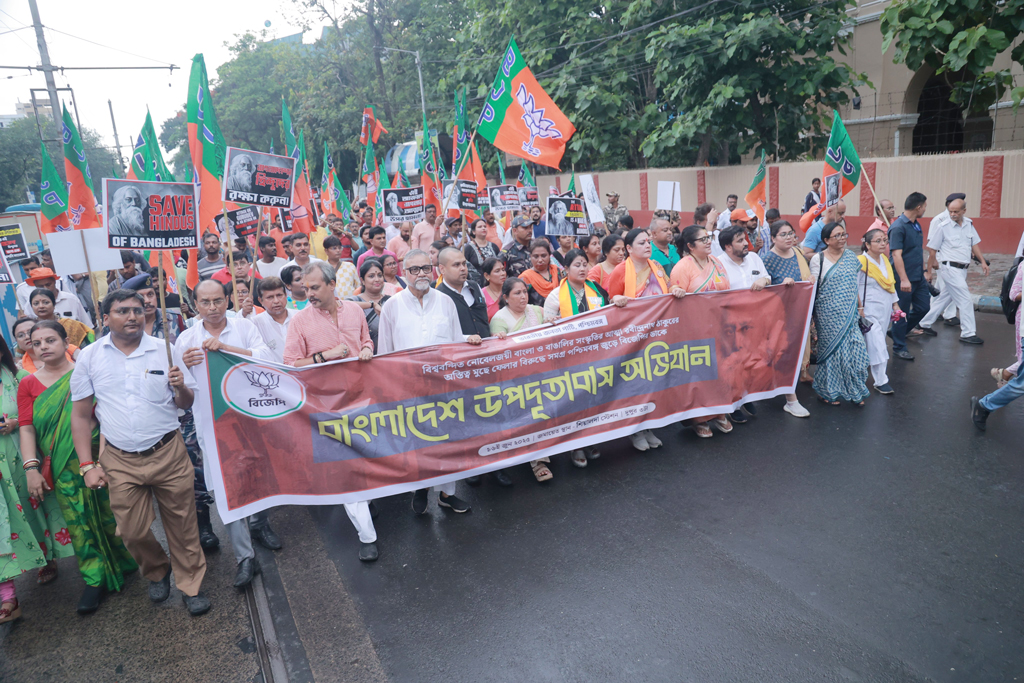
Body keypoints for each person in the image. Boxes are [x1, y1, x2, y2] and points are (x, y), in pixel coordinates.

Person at [71, 290, 208, 614]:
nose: (132, 316)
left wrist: (180, 387)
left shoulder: (165, 351)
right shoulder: (90, 357)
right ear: (105, 318)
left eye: (137, 310)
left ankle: (191, 586)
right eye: (122, 311)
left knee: (183, 525)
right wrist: (87, 465)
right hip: (119, 459)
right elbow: (80, 415)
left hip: (168, 452)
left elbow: (185, 403)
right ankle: (157, 570)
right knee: (131, 531)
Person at [18, 321, 138, 615]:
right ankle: (94, 578)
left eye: (50, 340)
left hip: (98, 455)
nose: (44, 347)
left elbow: (106, 415)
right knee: (77, 520)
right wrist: (31, 468)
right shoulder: (28, 384)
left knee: (110, 512)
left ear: (65, 341)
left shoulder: (86, 373)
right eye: (37, 343)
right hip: (60, 464)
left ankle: (125, 560)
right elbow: (27, 428)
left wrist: (106, 456)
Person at [176, 281, 281, 588]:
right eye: (205, 302)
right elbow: (181, 390)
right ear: (196, 305)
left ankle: (261, 525)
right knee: (225, 488)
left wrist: (226, 348)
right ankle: (244, 557)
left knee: (257, 476)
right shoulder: (186, 339)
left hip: (250, 417)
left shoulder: (244, 327)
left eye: (218, 301)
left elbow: (267, 361)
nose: (212, 307)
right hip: (213, 424)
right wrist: (183, 366)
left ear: (227, 301)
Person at [282, 263, 379, 560]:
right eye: (304, 287)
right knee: (347, 467)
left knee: (368, 455)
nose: (307, 292)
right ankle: (368, 537)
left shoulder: (354, 311)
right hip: (327, 405)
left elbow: (365, 340)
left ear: (333, 284)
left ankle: (366, 498)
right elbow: (290, 364)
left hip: (364, 398)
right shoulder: (299, 322)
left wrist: (366, 348)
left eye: (314, 287)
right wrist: (325, 356)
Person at [377, 250, 482, 515]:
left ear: (433, 269)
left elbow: (455, 339)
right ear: (404, 273)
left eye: (426, 268)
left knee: (447, 441)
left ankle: (447, 494)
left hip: (443, 388)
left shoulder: (446, 301)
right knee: (417, 443)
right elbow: (384, 353)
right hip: (408, 391)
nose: (421, 274)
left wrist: (469, 340)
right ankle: (420, 489)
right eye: (415, 270)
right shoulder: (392, 305)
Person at [0, 332, 70, 623]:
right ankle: (8, 597)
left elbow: (31, 416)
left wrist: (14, 423)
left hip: (17, 458)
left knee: (30, 509)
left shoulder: (15, 376)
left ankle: (46, 557)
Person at [809, 222, 870, 406]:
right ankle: (827, 391)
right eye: (837, 235)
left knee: (856, 350)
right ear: (826, 240)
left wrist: (860, 308)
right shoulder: (818, 259)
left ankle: (855, 390)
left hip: (850, 314)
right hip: (827, 314)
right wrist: (811, 317)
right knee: (832, 354)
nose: (842, 238)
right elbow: (814, 289)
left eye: (844, 234)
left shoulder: (851, 258)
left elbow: (854, 285)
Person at [917, 196, 987, 344]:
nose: (953, 214)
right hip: (949, 268)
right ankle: (968, 333)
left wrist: (982, 261)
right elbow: (932, 250)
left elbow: (974, 244)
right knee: (965, 299)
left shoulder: (969, 224)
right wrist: (929, 272)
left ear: (964, 211)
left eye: (956, 211)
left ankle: (924, 323)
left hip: (962, 269)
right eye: (951, 211)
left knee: (943, 298)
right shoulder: (943, 226)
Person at [888, 192, 932, 361]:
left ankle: (898, 332)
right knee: (902, 313)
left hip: (917, 275)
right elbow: (896, 255)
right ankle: (899, 347)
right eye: (925, 207)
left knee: (923, 307)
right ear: (918, 207)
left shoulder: (915, 224)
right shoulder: (898, 227)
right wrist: (904, 279)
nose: (925, 210)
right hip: (903, 277)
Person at [857, 229, 901, 395]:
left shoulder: (884, 259)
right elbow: (854, 288)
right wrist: (859, 308)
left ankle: (861, 373)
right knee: (878, 344)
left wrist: (895, 304)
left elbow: (890, 284)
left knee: (876, 342)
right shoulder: (861, 262)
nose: (883, 244)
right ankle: (881, 380)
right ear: (867, 244)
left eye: (885, 240)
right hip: (868, 310)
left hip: (885, 308)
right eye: (878, 241)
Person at [607, 229, 685, 301]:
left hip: (660, 313)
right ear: (629, 248)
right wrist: (616, 298)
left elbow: (669, 287)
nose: (648, 246)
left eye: (648, 242)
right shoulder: (620, 270)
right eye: (642, 243)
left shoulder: (656, 265)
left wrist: (676, 289)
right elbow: (613, 299)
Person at [21, 268, 93, 327]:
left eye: (48, 284)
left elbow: (87, 326)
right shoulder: (30, 305)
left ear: (55, 282)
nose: (45, 288)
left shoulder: (71, 299)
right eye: (40, 286)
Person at [346, 259, 391, 353]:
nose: (377, 279)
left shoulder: (390, 301)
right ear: (362, 280)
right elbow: (341, 305)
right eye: (371, 276)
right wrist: (371, 304)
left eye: (380, 275)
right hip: (365, 356)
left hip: (389, 354)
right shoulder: (356, 300)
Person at [28, 288, 94, 348]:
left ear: (54, 304)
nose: (41, 306)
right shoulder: (29, 328)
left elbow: (87, 348)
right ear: (31, 306)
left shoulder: (71, 325)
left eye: (46, 302)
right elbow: (20, 353)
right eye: (36, 303)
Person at [252, 277, 295, 363]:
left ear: (286, 295)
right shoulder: (255, 324)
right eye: (270, 297)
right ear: (261, 301)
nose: (276, 301)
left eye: (279, 295)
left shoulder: (299, 317)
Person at [12, 317, 78, 373]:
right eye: (20, 335)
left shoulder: (72, 352)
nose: (26, 337)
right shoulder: (20, 369)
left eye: (30, 332)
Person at [520, 239, 562, 306]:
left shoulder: (557, 271)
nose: (540, 260)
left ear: (549, 255)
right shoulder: (525, 278)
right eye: (536, 256)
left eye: (543, 256)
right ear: (530, 256)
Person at [464, 218, 501, 286]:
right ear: (473, 231)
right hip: (478, 285)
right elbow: (464, 266)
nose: (483, 228)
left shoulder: (494, 246)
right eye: (480, 227)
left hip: (494, 284)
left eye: (484, 226)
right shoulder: (468, 248)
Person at [480, 258, 507, 322]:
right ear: (487, 276)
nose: (503, 273)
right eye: (497, 271)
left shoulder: (510, 290)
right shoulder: (481, 295)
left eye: (503, 270)